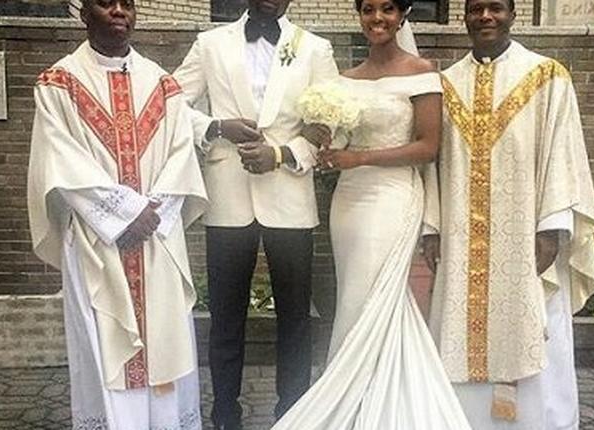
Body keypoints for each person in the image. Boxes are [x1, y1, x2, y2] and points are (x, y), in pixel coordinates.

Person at [271, 1, 472, 428]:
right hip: (349, 202)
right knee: (358, 298)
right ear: (359, 16)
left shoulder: (422, 71)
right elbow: (335, 141)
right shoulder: (345, 79)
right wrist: (323, 137)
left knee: (369, 297)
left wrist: (358, 157)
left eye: (387, 9)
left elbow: (427, 146)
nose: (377, 18)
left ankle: (351, 406)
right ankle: (372, 401)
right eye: (368, 10)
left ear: (403, 15)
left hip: (393, 198)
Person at [26, 0, 208, 428]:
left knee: (165, 344)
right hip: (97, 240)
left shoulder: (163, 85)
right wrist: (122, 214)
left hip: (156, 240)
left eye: (126, 3)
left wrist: (151, 215)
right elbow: (60, 158)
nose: (118, 11)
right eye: (106, 3)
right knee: (103, 346)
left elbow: (181, 156)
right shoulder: (58, 84)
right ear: (82, 12)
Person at [423, 0, 594, 428]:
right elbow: (433, 162)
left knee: (535, 320)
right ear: (463, 16)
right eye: (476, 8)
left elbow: (562, 154)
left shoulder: (547, 77)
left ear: (513, 14)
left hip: (528, 234)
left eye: (495, 8)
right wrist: (432, 228)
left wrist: (552, 228)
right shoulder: (445, 85)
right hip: (461, 238)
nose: (485, 16)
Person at [172, 1, 339, 427]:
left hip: (290, 196)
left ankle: (293, 414)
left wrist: (281, 153)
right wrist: (216, 127)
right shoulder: (210, 43)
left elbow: (328, 126)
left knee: (296, 320)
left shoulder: (315, 48)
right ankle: (225, 414)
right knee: (226, 318)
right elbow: (170, 103)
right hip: (228, 195)